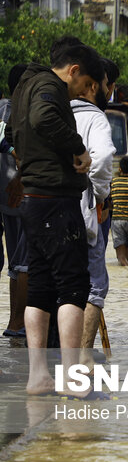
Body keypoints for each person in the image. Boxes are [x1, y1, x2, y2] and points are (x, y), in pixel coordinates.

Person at [10, 43, 103, 396]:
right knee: (73, 287)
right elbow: (43, 119)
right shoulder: (49, 88)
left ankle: (39, 377)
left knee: (42, 288)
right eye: (87, 84)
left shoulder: (25, 87)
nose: (86, 93)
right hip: (56, 201)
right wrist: (78, 149)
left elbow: (12, 135)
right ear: (74, 70)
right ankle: (72, 378)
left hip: (35, 198)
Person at [70, 59, 117, 367]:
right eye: (110, 86)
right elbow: (100, 162)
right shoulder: (96, 118)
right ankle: (84, 356)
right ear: (99, 85)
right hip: (85, 209)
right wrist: (97, 195)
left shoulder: (57, 110)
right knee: (95, 284)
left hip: (49, 205)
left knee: (63, 282)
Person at [0, 65, 27, 338]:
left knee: (14, 264)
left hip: (8, 199)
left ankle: (14, 322)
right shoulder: (12, 110)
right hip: (15, 196)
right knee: (21, 263)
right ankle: (17, 323)